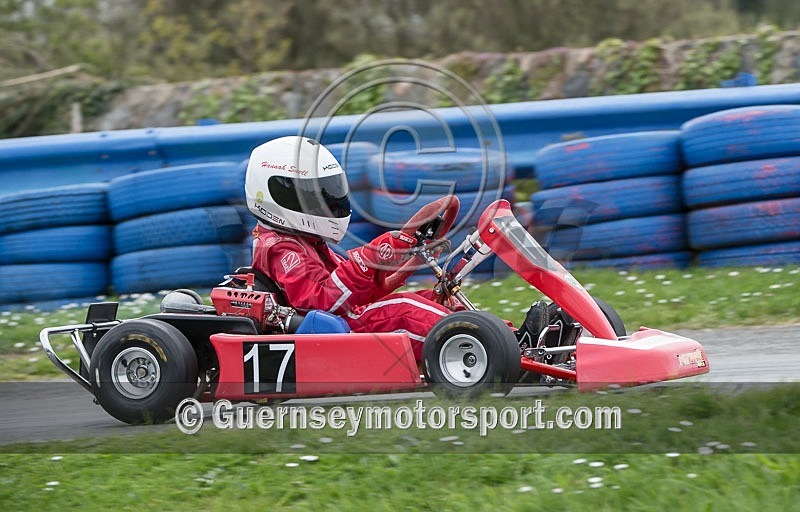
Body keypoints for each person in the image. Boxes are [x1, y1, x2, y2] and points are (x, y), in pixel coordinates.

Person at [245, 136, 452, 361]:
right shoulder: (282, 249)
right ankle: (477, 342)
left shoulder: (306, 240)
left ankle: (484, 333)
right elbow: (322, 303)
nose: (330, 204)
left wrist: (398, 263)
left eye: (330, 193)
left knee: (432, 300)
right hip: (329, 332)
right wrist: (369, 257)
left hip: (347, 320)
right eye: (315, 196)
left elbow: (354, 292)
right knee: (406, 309)